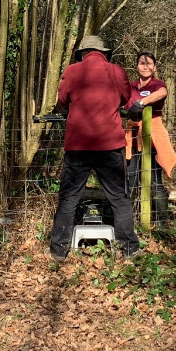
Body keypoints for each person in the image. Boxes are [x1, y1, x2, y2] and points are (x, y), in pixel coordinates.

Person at [47, 34, 141, 259]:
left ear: (82, 53)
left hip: (78, 146)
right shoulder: (115, 71)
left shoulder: (71, 71)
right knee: (118, 197)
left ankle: (58, 250)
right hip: (109, 144)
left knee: (69, 197)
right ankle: (129, 248)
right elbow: (126, 97)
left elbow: (62, 100)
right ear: (105, 53)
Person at [124, 51, 176, 224]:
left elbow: (162, 92)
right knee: (130, 179)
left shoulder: (157, 84)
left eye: (149, 64)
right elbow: (123, 102)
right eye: (141, 63)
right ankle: (129, 221)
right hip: (132, 139)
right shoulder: (131, 86)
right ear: (136, 66)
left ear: (154, 67)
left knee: (154, 180)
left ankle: (162, 222)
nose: (145, 67)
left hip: (152, 139)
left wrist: (141, 103)